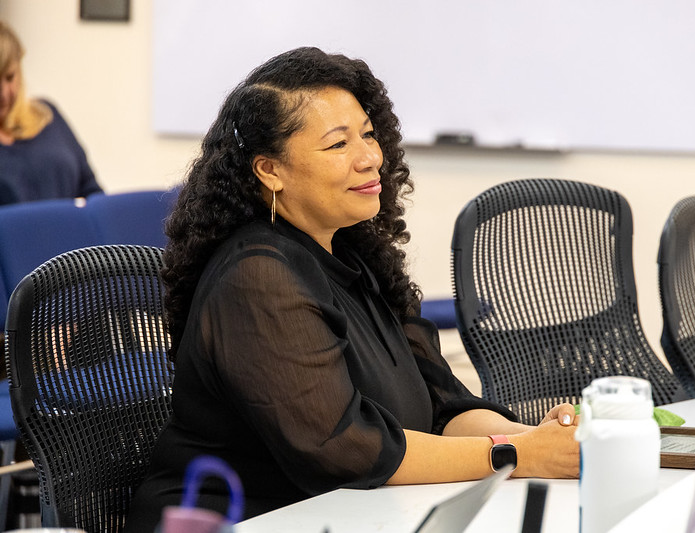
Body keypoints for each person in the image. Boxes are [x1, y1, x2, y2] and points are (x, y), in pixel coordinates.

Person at [125, 47, 579, 531]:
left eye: (367, 133)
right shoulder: (258, 277)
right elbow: (348, 450)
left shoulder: (354, 255)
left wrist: (538, 438)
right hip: (245, 520)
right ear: (270, 170)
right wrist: (514, 455)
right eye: (338, 144)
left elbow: (444, 405)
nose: (370, 158)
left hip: (355, 514)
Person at [0, 21, 102, 205]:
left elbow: (91, 189)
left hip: (68, 232)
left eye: (9, 77)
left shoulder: (47, 115)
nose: (4, 93)